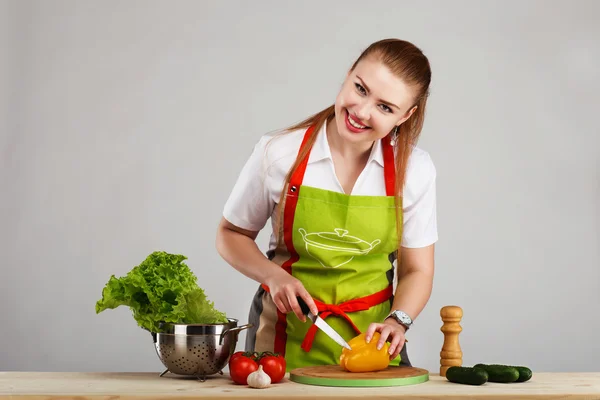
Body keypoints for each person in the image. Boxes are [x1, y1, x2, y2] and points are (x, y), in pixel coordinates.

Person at [216, 38, 437, 371]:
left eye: (385, 107)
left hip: (372, 349)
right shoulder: (279, 152)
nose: (362, 112)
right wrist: (274, 276)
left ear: (406, 115)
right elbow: (230, 234)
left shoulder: (414, 170)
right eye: (360, 89)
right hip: (280, 343)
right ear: (348, 75)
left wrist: (398, 321)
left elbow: (417, 270)